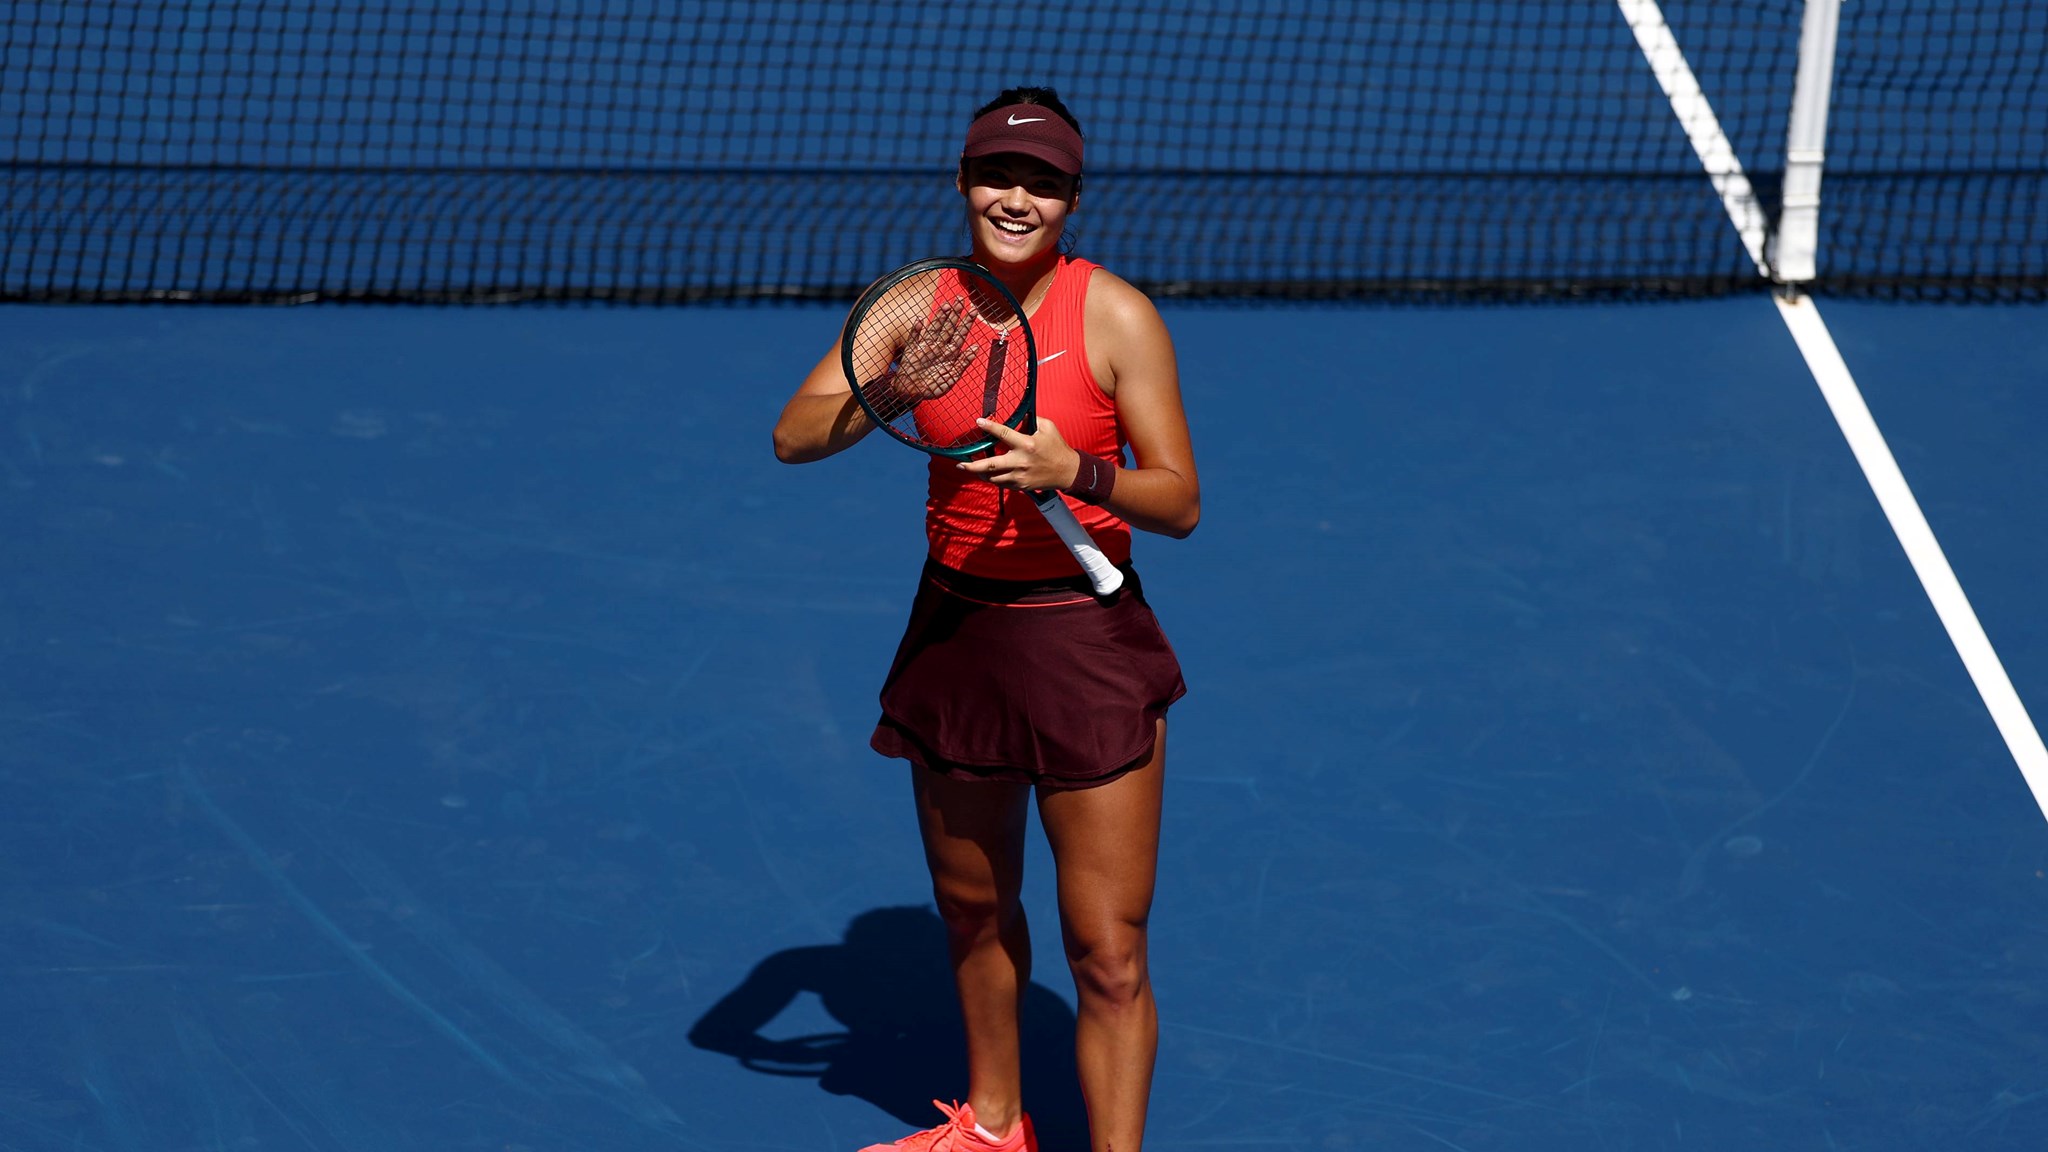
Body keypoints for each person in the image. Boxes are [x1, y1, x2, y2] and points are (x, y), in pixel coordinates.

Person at [772, 86, 1199, 1152]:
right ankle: (993, 1127)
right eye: (998, 176)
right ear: (961, 183)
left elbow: (1179, 500)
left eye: (1043, 183)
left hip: (1081, 643)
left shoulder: (1113, 317)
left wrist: (1077, 469)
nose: (1016, 199)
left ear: (1072, 199)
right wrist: (881, 397)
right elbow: (792, 437)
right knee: (970, 909)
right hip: (956, 635)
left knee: (1105, 949)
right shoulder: (915, 308)